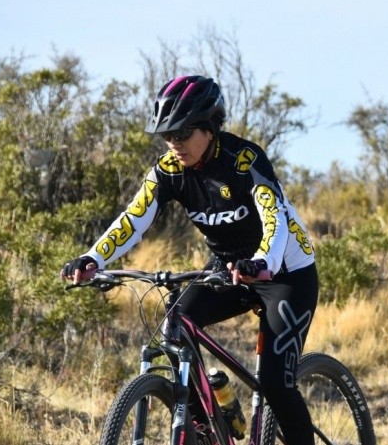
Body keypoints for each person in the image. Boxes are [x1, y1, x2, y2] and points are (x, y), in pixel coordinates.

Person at [60, 75, 318, 445]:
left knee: (277, 384)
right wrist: (93, 258)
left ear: (210, 128)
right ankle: (208, 424)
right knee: (176, 324)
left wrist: (263, 262)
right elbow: (134, 218)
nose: (173, 144)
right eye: (167, 136)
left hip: (285, 274)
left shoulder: (244, 161)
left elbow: (273, 217)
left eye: (181, 133)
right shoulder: (169, 171)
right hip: (228, 269)